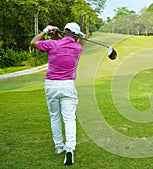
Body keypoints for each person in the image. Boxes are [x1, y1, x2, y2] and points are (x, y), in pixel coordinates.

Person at [30, 22, 84, 165]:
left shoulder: (52, 44)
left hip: (51, 85)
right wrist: (58, 35)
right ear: (76, 35)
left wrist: (45, 31)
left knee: (55, 117)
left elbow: (33, 42)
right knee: (69, 118)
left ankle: (59, 146)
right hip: (68, 86)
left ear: (65, 32)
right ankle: (70, 148)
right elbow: (67, 43)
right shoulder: (78, 48)